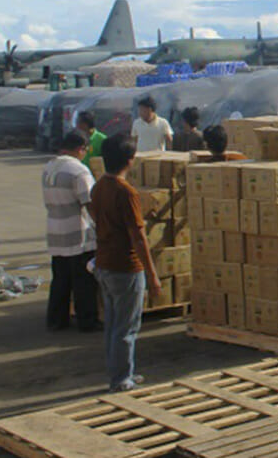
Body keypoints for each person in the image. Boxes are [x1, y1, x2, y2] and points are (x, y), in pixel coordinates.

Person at [89, 133, 162, 392]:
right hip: (125, 266)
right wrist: (152, 276)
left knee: (113, 322)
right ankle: (121, 380)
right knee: (127, 326)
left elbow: (99, 217)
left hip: (104, 263)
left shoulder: (98, 187)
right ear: (130, 161)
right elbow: (138, 237)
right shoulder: (126, 192)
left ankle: (121, 370)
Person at [42, 131, 99, 332]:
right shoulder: (78, 170)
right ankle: (87, 320)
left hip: (55, 230)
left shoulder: (49, 167)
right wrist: (100, 226)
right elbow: (89, 202)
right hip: (77, 232)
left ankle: (56, 319)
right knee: (83, 281)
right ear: (80, 149)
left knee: (60, 279)